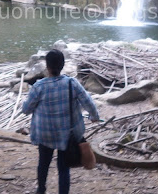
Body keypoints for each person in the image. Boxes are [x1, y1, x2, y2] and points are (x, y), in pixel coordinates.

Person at [22, 49, 100, 194]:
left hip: (45, 134)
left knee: (43, 163)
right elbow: (88, 103)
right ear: (62, 65)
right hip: (67, 135)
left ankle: (41, 190)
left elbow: (26, 109)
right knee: (64, 167)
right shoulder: (72, 83)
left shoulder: (39, 86)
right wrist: (94, 116)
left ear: (47, 66)